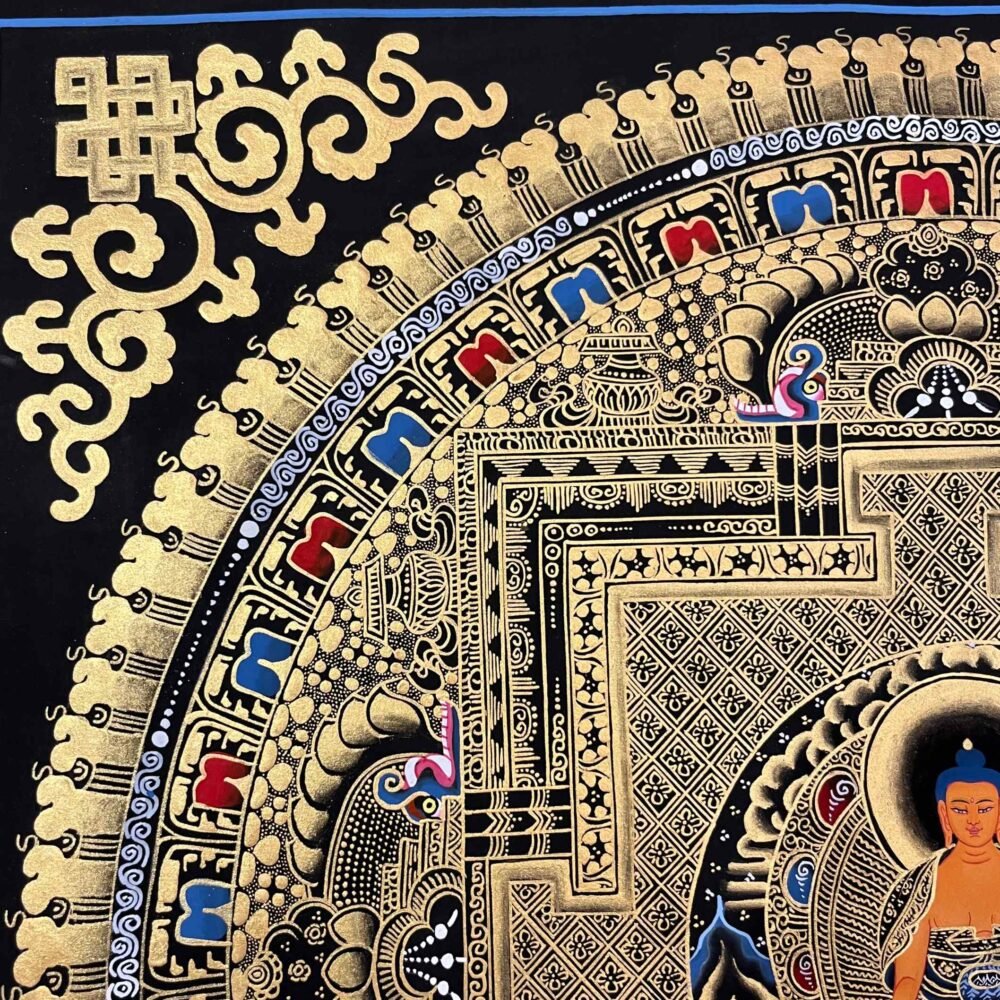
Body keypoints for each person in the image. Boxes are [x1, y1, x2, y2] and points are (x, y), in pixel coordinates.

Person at [881, 741, 1000, 999]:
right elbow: (908, 980)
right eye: (960, 809)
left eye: (984, 808)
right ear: (944, 814)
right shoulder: (919, 888)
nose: (973, 820)